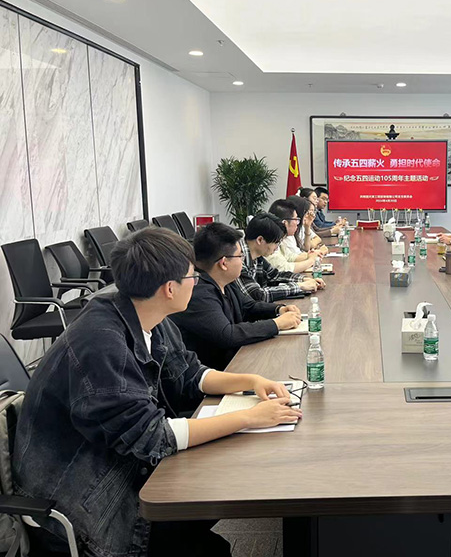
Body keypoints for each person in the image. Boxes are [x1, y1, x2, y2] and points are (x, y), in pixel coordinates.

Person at [12, 228, 302, 557]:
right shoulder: (101, 342)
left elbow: (188, 373)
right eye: (192, 275)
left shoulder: (144, 311)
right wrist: (248, 417)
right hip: (91, 506)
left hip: (119, 469)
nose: (197, 282)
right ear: (169, 288)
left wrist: (250, 381)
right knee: (214, 518)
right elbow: (152, 437)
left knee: (218, 495)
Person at [170, 222, 302, 370]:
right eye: (240, 256)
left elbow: (248, 306)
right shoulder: (198, 292)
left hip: (234, 362)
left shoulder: (226, 281)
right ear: (224, 263)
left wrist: (278, 309)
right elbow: (228, 335)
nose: (243, 261)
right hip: (215, 374)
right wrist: (276, 324)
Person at [237, 212, 325, 302]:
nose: (276, 248)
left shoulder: (257, 255)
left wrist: (304, 279)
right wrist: (299, 286)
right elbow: (259, 295)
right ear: (260, 240)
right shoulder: (238, 259)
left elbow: (275, 275)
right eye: (276, 243)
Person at [267, 199, 318, 273]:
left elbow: (290, 256)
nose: (297, 223)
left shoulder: (281, 239)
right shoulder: (269, 241)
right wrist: (311, 260)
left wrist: (311, 255)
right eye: (296, 219)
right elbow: (284, 268)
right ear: (285, 223)